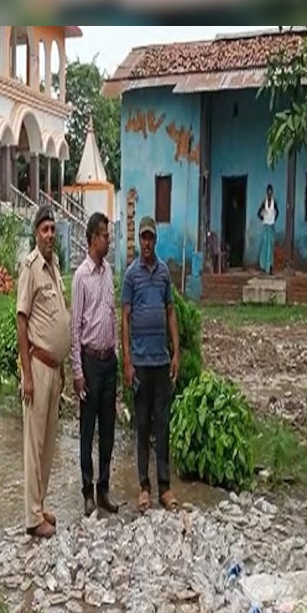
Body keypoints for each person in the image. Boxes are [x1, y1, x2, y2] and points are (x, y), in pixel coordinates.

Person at [17, 206, 71, 540]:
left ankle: (40, 504)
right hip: (37, 366)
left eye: (53, 229)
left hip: (54, 367)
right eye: (45, 229)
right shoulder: (31, 268)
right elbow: (22, 320)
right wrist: (26, 373)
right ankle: (31, 516)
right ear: (36, 233)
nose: (50, 235)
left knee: (49, 441)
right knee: (34, 442)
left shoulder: (54, 267)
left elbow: (58, 317)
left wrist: (63, 365)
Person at [121, 216, 181, 513]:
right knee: (142, 426)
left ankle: (165, 488)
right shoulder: (131, 275)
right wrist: (128, 360)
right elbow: (125, 317)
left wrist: (176, 353)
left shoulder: (164, 273)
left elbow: (171, 312)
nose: (146, 243)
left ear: (155, 241)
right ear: (139, 241)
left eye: (150, 238)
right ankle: (144, 487)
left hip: (160, 361)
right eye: (143, 238)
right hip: (141, 363)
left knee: (163, 426)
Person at [70, 212, 120, 518]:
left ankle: (104, 489)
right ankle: (87, 492)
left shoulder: (109, 272)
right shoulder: (81, 277)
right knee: (87, 430)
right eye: (105, 236)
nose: (109, 240)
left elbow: (111, 316)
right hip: (89, 361)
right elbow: (74, 328)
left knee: (108, 431)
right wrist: (77, 372)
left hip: (108, 361)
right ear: (92, 239)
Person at [257, 183, 278, 274]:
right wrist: (263, 218)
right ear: (266, 192)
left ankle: (270, 268)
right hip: (266, 226)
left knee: (271, 247)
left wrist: (274, 219)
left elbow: (278, 212)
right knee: (264, 247)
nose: (269, 194)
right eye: (268, 192)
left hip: (271, 226)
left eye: (271, 192)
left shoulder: (274, 202)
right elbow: (258, 213)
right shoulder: (264, 202)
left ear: (272, 193)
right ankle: (263, 267)